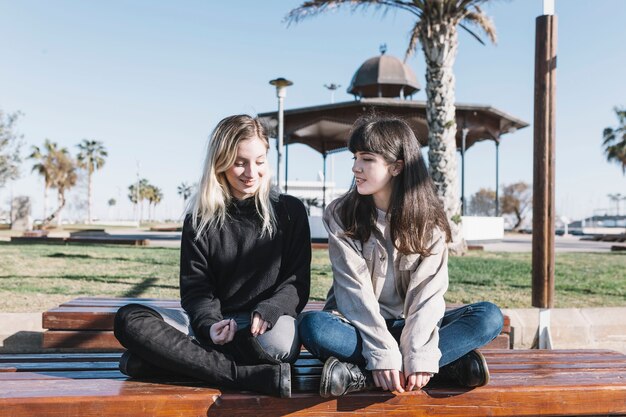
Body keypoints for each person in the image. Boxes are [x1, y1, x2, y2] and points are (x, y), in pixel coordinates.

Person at [298, 115, 504, 398]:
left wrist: (417, 351)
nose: (356, 167)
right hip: (358, 328)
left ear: (396, 167)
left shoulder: (429, 222)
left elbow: (428, 296)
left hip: (413, 328)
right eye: (355, 157)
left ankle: (360, 375)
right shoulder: (340, 214)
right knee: (313, 326)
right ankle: (444, 366)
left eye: (367, 159)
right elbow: (354, 293)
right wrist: (383, 352)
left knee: (489, 317)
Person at [114, 114, 311, 398]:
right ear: (219, 163)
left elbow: (296, 282)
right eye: (240, 162)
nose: (251, 172)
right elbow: (197, 290)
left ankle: (166, 364)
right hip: (213, 328)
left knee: (281, 345)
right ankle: (242, 375)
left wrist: (270, 309)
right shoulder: (199, 219)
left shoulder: (290, 211)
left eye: (259, 161)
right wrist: (209, 325)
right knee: (128, 319)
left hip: (267, 329)